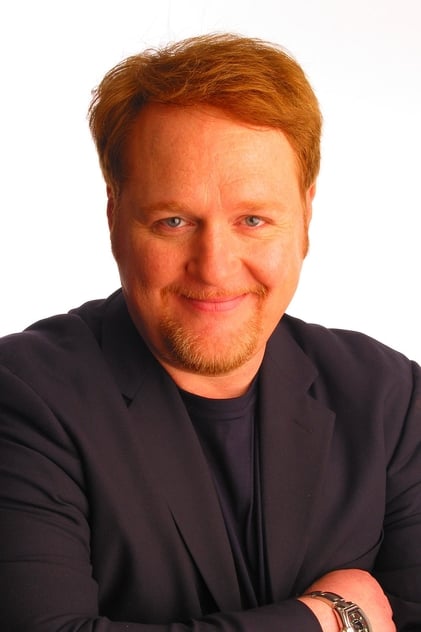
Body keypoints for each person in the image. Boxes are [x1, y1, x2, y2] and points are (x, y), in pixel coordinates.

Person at [0, 33, 419, 632]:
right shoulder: (21, 396)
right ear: (114, 217)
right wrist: (329, 619)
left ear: (305, 219)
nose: (215, 268)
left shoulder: (390, 398)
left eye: (253, 220)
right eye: (173, 221)